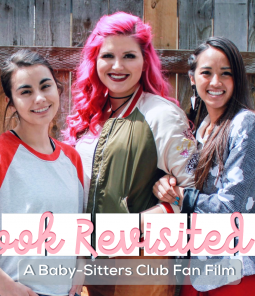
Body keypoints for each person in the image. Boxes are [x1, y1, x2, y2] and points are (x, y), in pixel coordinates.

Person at [64, 11, 197, 296]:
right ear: (95, 60)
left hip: (140, 266)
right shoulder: (88, 118)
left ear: (144, 60)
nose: (117, 66)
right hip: (88, 263)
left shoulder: (162, 115)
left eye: (129, 56)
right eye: (108, 56)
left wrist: (137, 225)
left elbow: (195, 191)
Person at [0, 49, 85, 296]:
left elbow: (79, 225)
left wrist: (81, 265)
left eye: (46, 86)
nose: (39, 98)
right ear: (11, 101)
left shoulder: (71, 159)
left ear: (58, 89)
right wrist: (5, 287)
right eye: (26, 92)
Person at [154, 36, 255, 295]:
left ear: (238, 79)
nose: (216, 82)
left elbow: (232, 206)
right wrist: (166, 183)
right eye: (206, 73)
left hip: (244, 269)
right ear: (192, 78)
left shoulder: (246, 125)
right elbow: (189, 179)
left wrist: (181, 198)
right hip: (202, 267)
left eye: (226, 74)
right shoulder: (199, 128)